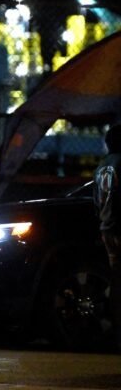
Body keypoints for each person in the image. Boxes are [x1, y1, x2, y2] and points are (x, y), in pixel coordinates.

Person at [94, 123, 121, 352]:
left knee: (116, 277)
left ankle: (114, 327)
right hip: (119, 226)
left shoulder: (102, 167)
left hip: (107, 228)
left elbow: (97, 200)